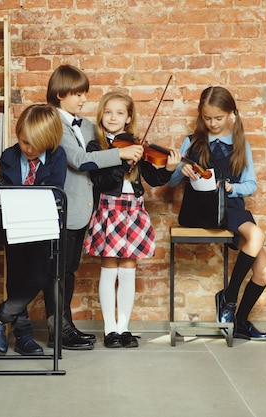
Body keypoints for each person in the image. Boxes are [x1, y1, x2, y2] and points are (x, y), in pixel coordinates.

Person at [43, 64, 144, 350]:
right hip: (63, 207)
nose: (83, 100)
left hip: (83, 209)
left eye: (84, 94)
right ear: (60, 93)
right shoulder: (53, 122)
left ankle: (65, 327)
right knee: (57, 271)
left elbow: (102, 144)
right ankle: (57, 329)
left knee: (69, 269)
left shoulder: (85, 125)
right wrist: (120, 154)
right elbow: (79, 160)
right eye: (78, 94)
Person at [168, 86, 266, 341]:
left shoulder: (240, 144)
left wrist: (231, 187)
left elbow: (251, 184)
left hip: (231, 207)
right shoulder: (191, 142)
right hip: (202, 210)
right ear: (201, 116)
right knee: (256, 236)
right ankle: (229, 299)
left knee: (264, 271)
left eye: (218, 118)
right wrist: (178, 170)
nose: (212, 124)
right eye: (207, 118)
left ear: (231, 115)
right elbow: (170, 183)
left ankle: (238, 318)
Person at [84, 92, 181, 348]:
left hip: (134, 211)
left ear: (128, 118)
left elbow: (154, 179)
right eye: (108, 112)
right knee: (109, 269)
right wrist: (121, 158)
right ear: (101, 116)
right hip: (108, 210)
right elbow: (101, 181)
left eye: (119, 113)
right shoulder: (97, 147)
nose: (113, 117)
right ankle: (109, 330)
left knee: (128, 271)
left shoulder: (137, 146)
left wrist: (169, 169)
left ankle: (124, 328)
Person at [0, 104, 67, 356]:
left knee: (38, 279)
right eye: (23, 142)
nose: (27, 149)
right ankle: (24, 336)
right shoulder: (8, 156)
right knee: (17, 281)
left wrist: (21, 197)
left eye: (34, 145)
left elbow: (55, 191)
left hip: (41, 230)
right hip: (14, 229)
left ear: (49, 141)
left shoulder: (57, 157)